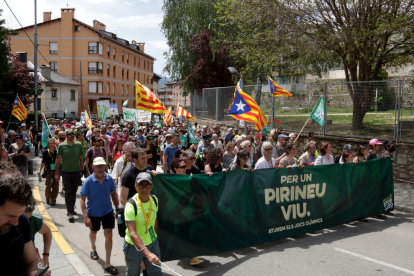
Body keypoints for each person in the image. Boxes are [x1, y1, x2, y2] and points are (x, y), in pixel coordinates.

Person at [0, 161, 51, 276]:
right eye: (11, 215)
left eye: (20, 214)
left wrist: (35, 271)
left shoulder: (22, 220)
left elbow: (32, 261)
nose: (15, 222)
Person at [80, 157, 119, 275]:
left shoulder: (109, 179)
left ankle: (107, 262)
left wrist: (117, 209)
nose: (101, 168)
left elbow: (114, 194)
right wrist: (86, 216)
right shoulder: (88, 181)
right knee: (93, 232)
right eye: (98, 166)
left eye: (102, 166)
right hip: (93, 213)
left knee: (109, 234)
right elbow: (82, 200)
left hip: (107, 212)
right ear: (93, 167)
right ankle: (93, 249)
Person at [123, 172, 162, 275]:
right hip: (133, 246)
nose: (144, 188)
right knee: (133, 273)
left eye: (147, 185)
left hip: (152, 243)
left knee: (156, 273)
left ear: (151, 187)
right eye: (141, 185)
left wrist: (155, 238)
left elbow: (155, 220)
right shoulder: (131, 205)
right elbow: (132, 233)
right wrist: (147, 253)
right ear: (136, 187)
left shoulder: (154, 199)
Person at [55, 129, 84, 223]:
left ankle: (71, 208)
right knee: (68, 192)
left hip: (76, 172)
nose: (72, 135)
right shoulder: (61, 146)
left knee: (74, 192)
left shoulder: (78, 145)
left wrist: (81, 170)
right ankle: (70, 212)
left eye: (73, 134)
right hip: (66, 172)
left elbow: (81, 158)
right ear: (66, 136)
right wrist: (57, 173)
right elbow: (58, 160)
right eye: (70, 134)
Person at [38, 139, 59, 206]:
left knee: (56, 187)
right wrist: (40, 170)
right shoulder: (45, 152)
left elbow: (60, 161)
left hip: (56, 171)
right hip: (48, 171)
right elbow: (43, 162)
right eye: (50, 143)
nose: (52, 144)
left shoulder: (57, 152)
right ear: (48, 145)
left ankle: (53, 200)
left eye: (53, 143)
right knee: (48, 185)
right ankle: (47, 197)